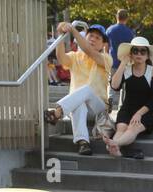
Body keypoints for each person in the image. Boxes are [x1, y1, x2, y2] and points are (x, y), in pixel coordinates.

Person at [43, 22, 112, 155]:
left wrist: (73, 30)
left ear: (103, 44)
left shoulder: (106, 58)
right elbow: (61, 58)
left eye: (98, 38)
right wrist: (61, 34)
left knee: (86, 89)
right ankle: (83, 142)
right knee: (79, 105)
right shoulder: (75, 56)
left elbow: (89, 51)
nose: (93, 39)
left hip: (98, 109)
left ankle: (57, 113)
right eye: (90, 36)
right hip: (76, 106)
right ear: (85, 37)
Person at [104, 39, 153, 158]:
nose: (139, 54)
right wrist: (123, 63)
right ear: (131, 54)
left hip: (146, 111)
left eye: (143, 51)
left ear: (147, 55)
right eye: (135, 51)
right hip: (127, 108)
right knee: (121, 128)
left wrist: (139, 114)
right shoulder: (127, 70)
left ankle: (114, 143)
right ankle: (116, 150)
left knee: (132, 128)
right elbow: (114, 86)